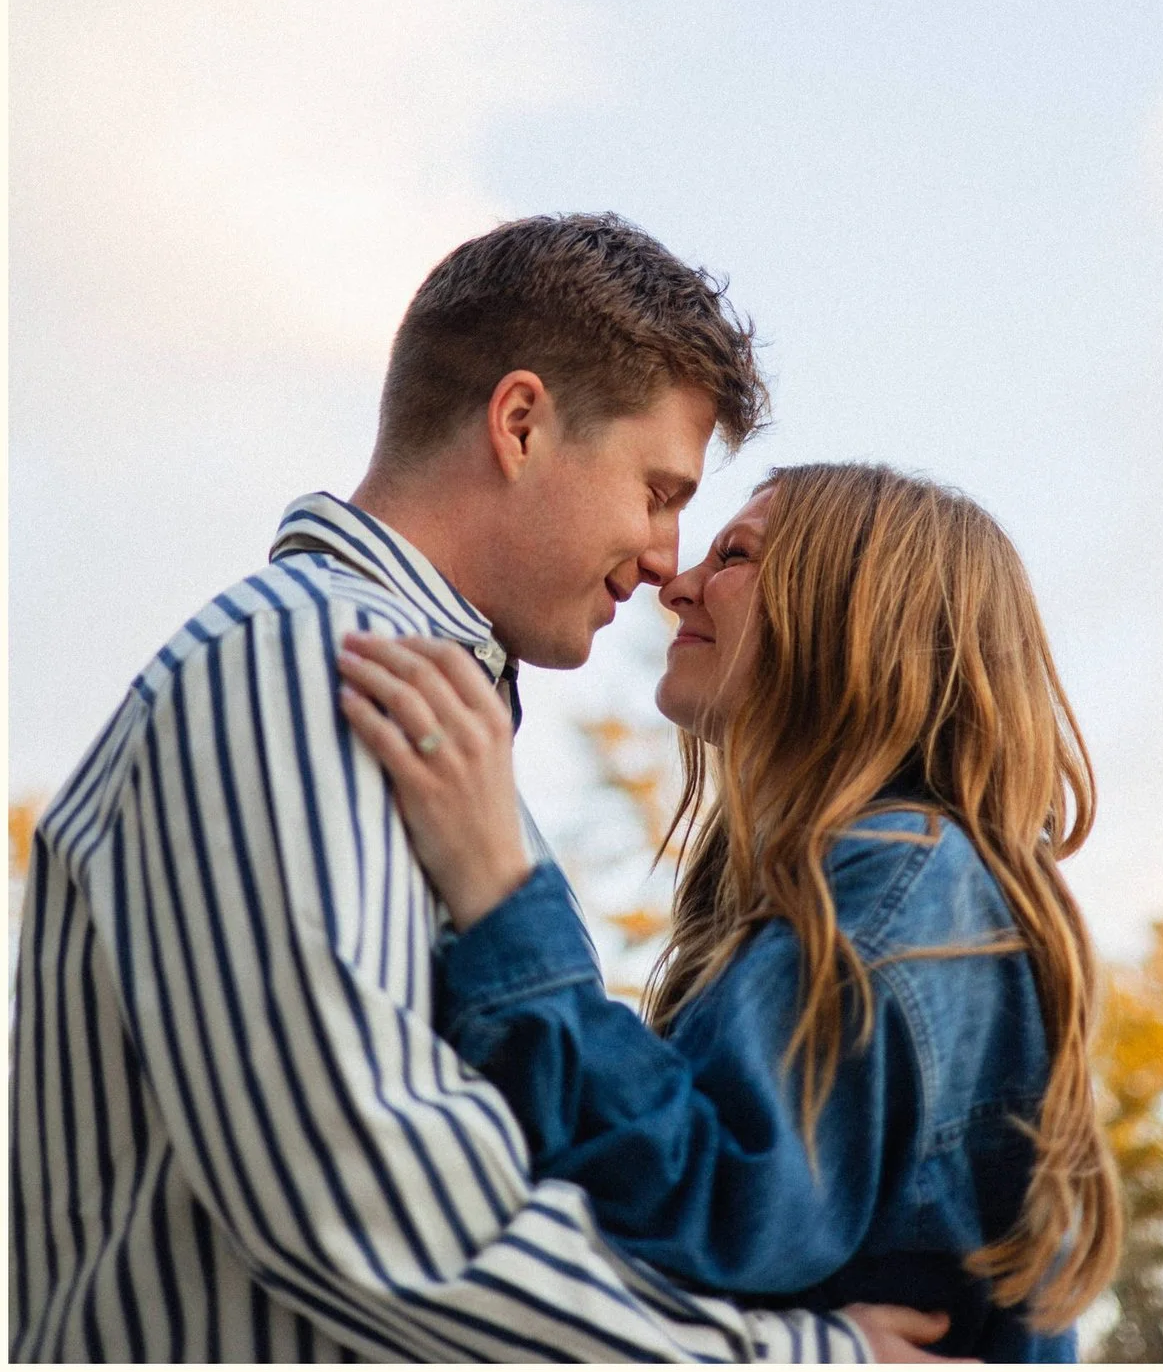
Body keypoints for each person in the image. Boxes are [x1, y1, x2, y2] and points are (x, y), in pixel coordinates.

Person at [11, 213, 944, 1362]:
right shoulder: (304, 666)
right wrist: (800, 1358)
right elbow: (356, 1194)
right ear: (519, 423)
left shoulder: (416, 719)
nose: (667, 560)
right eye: (658, 490)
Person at [332, 462, 1122, 1362]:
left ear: (856, 613)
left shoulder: (900, 880)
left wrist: (497, 889)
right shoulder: (904, 878)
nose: (676, 587)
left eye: (734, 555)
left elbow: (706, 1207)